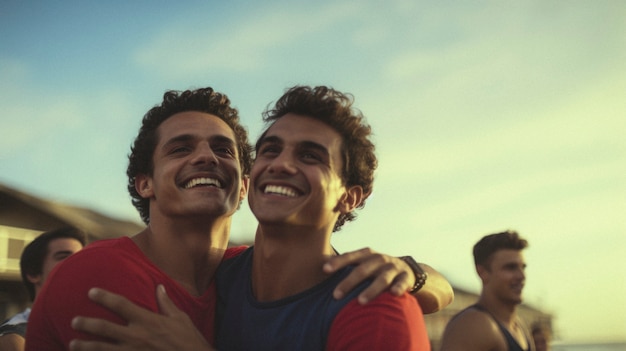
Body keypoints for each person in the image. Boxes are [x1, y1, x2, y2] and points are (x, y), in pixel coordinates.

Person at [25, 87, 450, 351]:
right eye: (271, 150)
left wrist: (413, 275)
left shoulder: (371, 302)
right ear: (145, 184)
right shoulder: (106, 277)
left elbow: (434, 293)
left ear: (241, 185)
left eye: (310, 155)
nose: (206, 157)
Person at [440, 230, 533, 351]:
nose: (521, 276)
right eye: (511, 267)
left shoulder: (518, 325)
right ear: (482, 272)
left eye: (523, 267)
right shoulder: (473, 325)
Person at [0, 227, 85, 351]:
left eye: (82, 258)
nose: (77, 264)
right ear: (33, 274)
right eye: (64, 257)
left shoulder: (93, 329)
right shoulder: (16, 339)